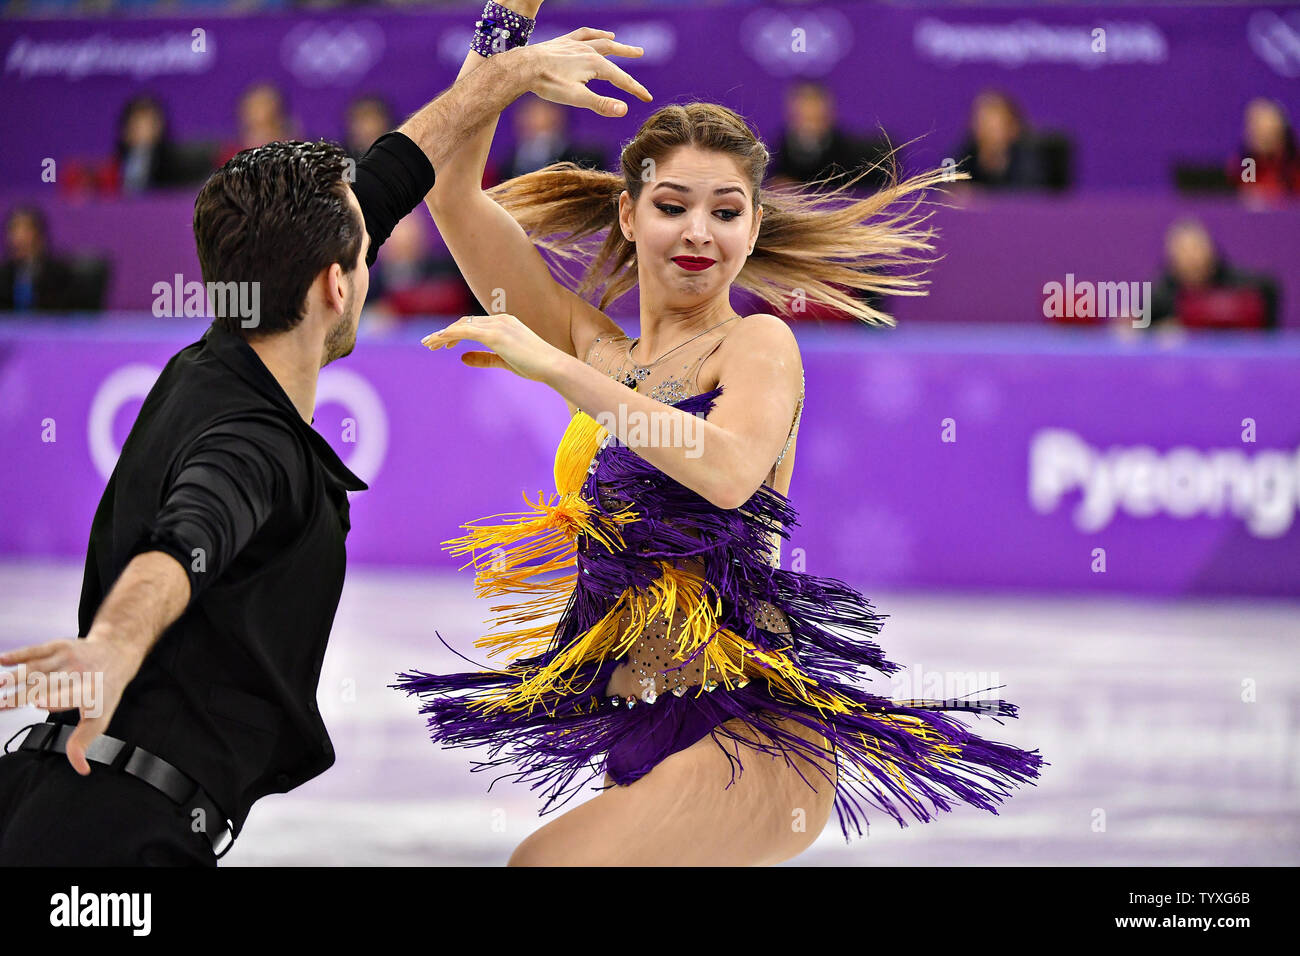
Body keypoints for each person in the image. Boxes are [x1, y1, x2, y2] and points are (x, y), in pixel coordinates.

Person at [392, 0, 1046, 866]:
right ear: (630, 217)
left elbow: (730, 470)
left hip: (752, 733)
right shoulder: (602, 349)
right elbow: (449, 189)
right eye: (672, 205)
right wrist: (505, 43)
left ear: (751, 230)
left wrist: (554, 370)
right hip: (637, 724)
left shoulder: (756, 345)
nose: (699, 231)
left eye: (727, 211)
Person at [0, 23, 649, 866]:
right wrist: (116, 643)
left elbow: (400, 164)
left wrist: (512, 45)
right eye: (365, 245)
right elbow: (184, 543)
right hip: (115, 846)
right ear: (338, 284)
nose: (375, 244)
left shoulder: (221, 347)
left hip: (59, 805)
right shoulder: (252, 445)